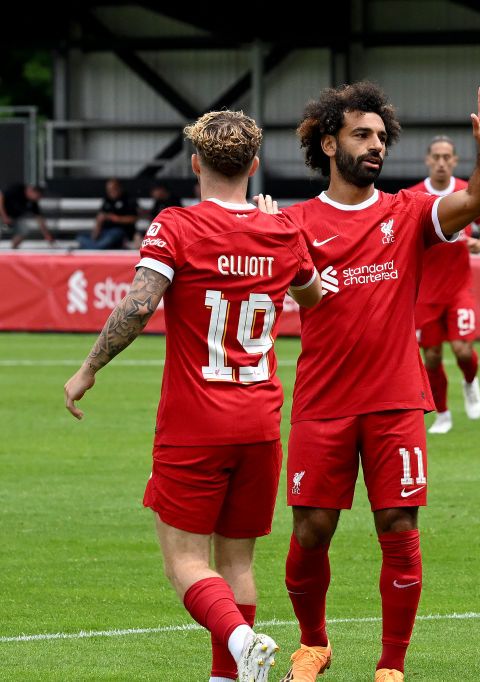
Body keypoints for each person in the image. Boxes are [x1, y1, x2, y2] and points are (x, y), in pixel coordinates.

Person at [62, 110, 323, 682]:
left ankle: (239, 641)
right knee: (238, 562)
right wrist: (276, 231)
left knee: (185, 561)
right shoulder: (282, 230)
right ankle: (226, 676)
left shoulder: (177, 225)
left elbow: (138, 305)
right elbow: (314, 295)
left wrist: (88, 368)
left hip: (195, 422)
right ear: (254, 166)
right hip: (260, 421)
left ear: (195, 163)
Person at [275, 80, 480, 682]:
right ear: (329, 143)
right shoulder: (295, 222)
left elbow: (478, 201)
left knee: (398, 526)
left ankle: (392, 665)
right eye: (361, 135)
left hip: (396, 400)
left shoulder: (406, 212)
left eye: (381, 137)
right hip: (323, 401)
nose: (376, 146)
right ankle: (313, 644)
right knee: (312, 529)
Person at [410, 135, 480, 434]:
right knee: (431, 356)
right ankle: (443, 413)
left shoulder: (466, 192)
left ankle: (471, 382)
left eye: (447, 157)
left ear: (455, 161)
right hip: (426, 294)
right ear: (428, 160)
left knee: (461, 349)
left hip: (459, 288)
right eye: (437, 156)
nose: (442, 162)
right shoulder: (414, 197)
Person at [78, 178, 138, 249]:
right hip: (104, 232)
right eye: (109, 190)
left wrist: (115, 218)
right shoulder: (107, 200)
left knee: (110, 238)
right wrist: (96, 230)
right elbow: (100, 217)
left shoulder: (128, 199)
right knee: (80, 237)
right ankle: (95, 246)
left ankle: (94, 247)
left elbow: (134, 218)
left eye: (114, 189)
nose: (111, 192)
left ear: (119, 188)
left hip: (120, 231)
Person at [0, 182, 56, 247]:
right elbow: (1, 197)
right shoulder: (17, 189)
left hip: (14, 217)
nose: (38, 199)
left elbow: (40, 220)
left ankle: (13, 247)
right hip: (2, 213)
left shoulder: (33, 203)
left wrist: (47, 236)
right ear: (32, 191)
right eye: (38, 196)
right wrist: (4, 216)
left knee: (24, 230)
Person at [132, 183, 183, 249]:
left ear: (162, 190)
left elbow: (176, 218)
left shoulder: (174, 200)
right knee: (138, 235)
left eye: (155, 191)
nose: (153, 193)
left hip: (170, 229)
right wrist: (144, 213)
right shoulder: (158, 202)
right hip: (158, 227)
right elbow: (153, 216)